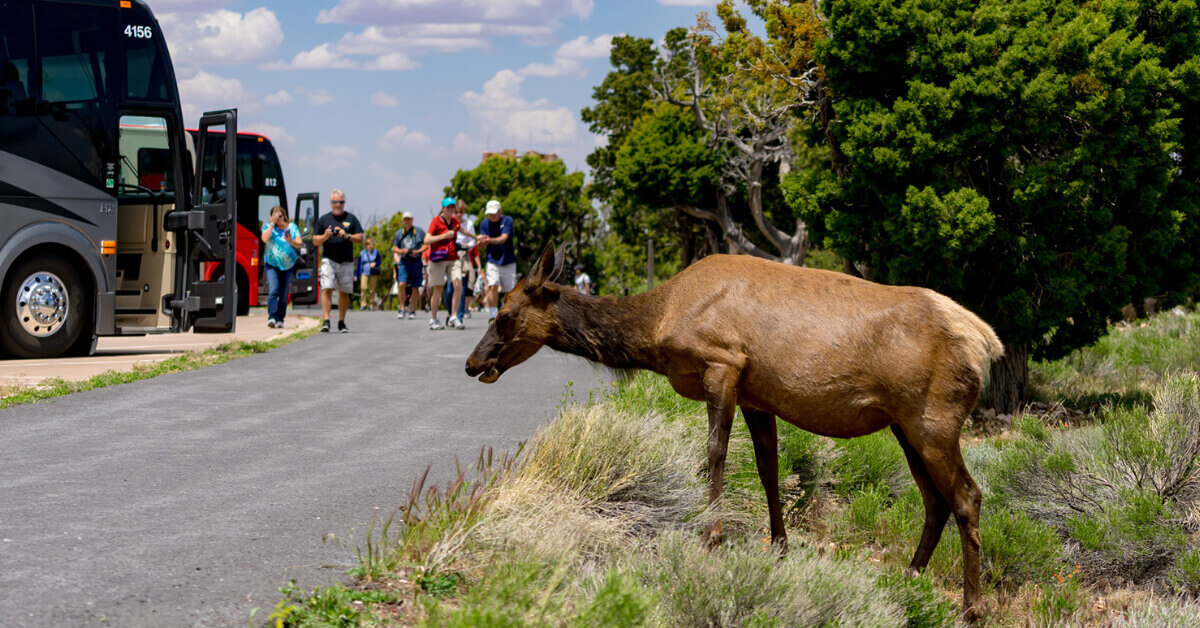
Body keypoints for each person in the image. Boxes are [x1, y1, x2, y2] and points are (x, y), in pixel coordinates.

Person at [313, 188, 364, 333]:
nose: (338, 205)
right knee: (326, 287)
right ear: (330, 203)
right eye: (335, 202)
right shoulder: (324, 219)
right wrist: (325, 236)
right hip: (329, 259)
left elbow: (360, 238)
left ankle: (341, 322)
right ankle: (326, 320)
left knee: (344, 291)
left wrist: (346, 235)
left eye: (340, 202)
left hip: (346, 261)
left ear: (344, 202)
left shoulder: (351, 218)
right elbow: (315, 240)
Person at [424, 197, 466, 330]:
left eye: (452, 207)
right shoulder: (436, 221)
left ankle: (454, 316)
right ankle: (433, 319)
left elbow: (462, 230)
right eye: (448, 207)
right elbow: (427, 239)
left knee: (458, 284)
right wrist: (443, 236)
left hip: (453, 258)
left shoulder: (454, 221)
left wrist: (476, 237)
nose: (451, 210)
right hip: (438, 259)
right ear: (443, 208)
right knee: (438, 288)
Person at [261, 206, 302, 328]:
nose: (278, 219)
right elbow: (264, 239)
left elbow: (299, 244)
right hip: (272, 264)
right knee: (273, 289)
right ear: (270, 217)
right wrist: (272, 224)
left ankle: (280, 319)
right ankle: (272, 317)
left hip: (288, 265)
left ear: (284, 217)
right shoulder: (268, 228)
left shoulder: (292, 227)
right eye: (275, 216)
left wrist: (291, 241)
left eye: (280, 216)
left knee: (284, 293)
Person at [475, 199, 516, 322]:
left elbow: (503, 238)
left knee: (509, 291)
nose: (492, 216)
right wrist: (480, 243)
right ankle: (492, 315)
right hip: (492, 259)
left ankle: (505, 312)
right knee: (493, 285)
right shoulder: (484, 224)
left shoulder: (507, 220)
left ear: (500, 211)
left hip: (508, 260)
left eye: (494, 213)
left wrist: (489, 240)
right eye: (490, 214)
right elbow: (483, 244)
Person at [443, 199, 477, 324]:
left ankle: (459, 316)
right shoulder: (449, 222)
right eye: (456, 211)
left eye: (461, 212)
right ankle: (450, 311)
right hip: (450, 256)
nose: (458, 214)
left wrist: (467, 246)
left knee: (460, 287)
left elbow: (473, 240)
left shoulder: (468, 224)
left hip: (463, 256)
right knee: (448, 289)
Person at [391, 211, 426, 319]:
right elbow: (394, 247)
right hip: (404, 261)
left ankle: (413, 310)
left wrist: (417, 251)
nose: (407, 221)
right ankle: (401, 308)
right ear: (402, 220)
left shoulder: (419, 232)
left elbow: (426, 245)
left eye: (409, 219)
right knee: (401, 284)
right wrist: (402, 251)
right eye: (405, 219)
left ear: (412, 220)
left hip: (416, 261)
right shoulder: (399, 233)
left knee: (415, 287)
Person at [356, 238, 382, 310]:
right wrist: (356, 274)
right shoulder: (362, 253)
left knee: (372, 290)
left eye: (372, 244)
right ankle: (363, 304)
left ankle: (371, 304)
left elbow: (379, 261)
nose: (371, 246)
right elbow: (359, 264)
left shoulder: (376, 252)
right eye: (369, 244)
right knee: (363, 288)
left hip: (373, 273)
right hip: (364, 272)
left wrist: (375, 263)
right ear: (366, 245)